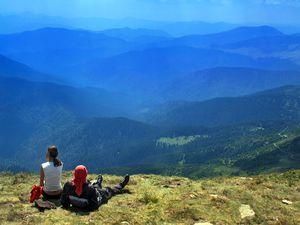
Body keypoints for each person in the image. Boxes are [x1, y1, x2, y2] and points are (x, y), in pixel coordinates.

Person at [60, 165, 130, 211]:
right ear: (85, 174)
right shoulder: (90, 188)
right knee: (109, 190)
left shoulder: (68, 185)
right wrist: (83, 209)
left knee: (94, 186)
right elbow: (94, 205)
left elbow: (63, 201)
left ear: (75, 174)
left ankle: (98, 182)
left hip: (89, 192)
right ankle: (121, 185)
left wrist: (71, 206)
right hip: (98, 195)